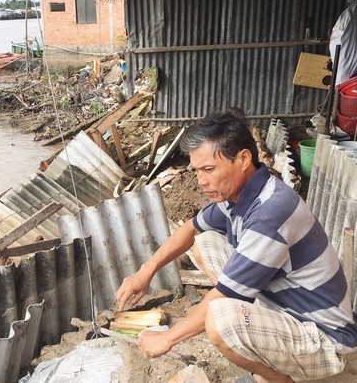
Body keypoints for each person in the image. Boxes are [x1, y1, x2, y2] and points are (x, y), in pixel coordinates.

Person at [116, 111, 357, 383]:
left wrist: (167, 339)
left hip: (324, 340)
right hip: (285, 308)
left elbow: (223, 297)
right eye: (196, 170)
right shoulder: (240, 195)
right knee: (204, 241)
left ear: (243, 159)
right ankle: (257, 332)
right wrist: (144, 272)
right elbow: (190, 228)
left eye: (209, 169)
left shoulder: (272, 210)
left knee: (220, 320)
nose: (201, 180)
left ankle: (280, 379)